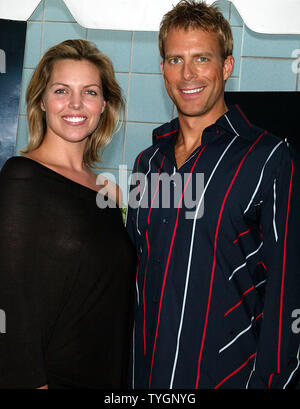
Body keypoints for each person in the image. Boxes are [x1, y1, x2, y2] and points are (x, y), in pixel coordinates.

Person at [126, 0, 300, 389]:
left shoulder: (270, 158)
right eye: (174, 60)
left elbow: (287, 291)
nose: (187, 74)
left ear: (226, 66)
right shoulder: (146, 163)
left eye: (201, 58)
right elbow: (139, 277)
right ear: (162, 70)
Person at [0, 39, 136, 389]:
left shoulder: (110, 192)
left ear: (104, 104)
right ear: (41, 101)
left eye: (90, 92)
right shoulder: (21, 177)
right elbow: (12, 306)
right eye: (62, 90)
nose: (76, 104)